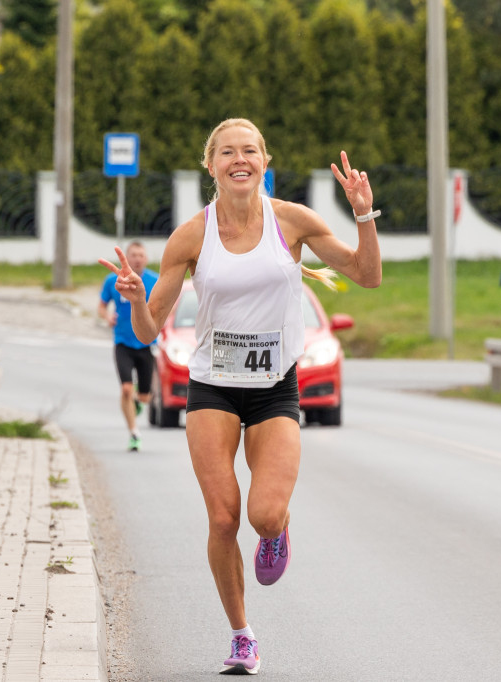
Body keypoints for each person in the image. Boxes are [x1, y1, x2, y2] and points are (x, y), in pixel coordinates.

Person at [99, 118, 381, 675]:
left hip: (275, 386)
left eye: (249, 150)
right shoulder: (191, 236)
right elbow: (152, 328)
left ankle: (277, 534)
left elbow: (366, 275)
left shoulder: (292, 222)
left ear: (264, 161)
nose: (239, 160)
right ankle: (241, 634)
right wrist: (135, 297)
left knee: (264, 514)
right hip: (213, 387)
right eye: (227, 152)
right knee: (224, 518)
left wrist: (364, 213)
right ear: (211, 165)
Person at [98, 240, 159, 452]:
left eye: (141, 255)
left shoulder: (154, 280)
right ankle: (134, 433)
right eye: (134, 255)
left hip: (145, 344)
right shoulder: (112, 280)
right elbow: (101, 305)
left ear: (146, 259)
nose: (137, 259)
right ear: (127, 257)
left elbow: (162, 310)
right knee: (126, 389)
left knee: (145, 397)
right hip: (122, 342)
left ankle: (134, 404)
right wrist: (107, 317)